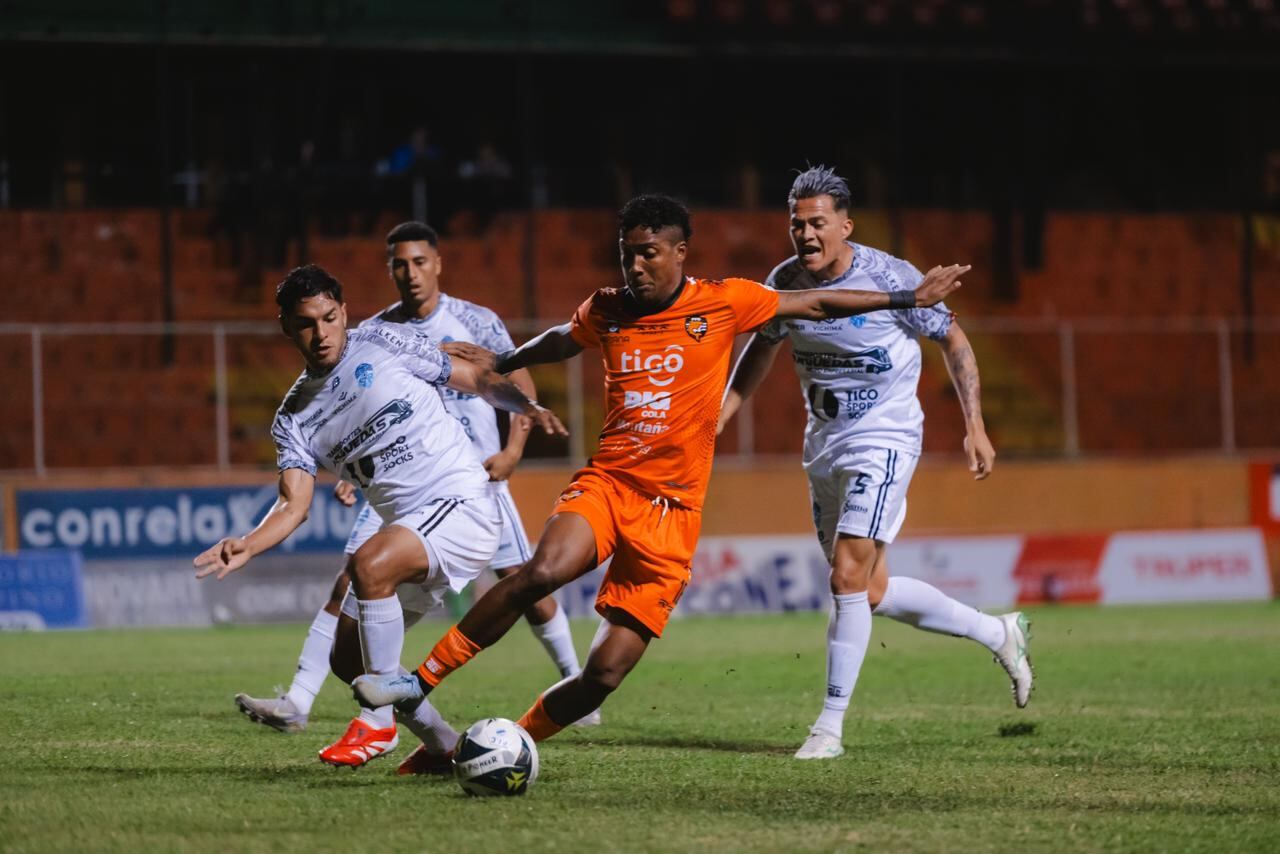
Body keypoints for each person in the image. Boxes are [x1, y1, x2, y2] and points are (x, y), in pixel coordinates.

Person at [350, 194, 967, 744]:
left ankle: (512, 741)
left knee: (602, 676)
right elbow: (564, 339)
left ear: (678, 253)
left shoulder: (724, 302)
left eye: (647, 254)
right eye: (627, 255)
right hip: (610, 484)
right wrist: (506, 358)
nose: (635, 267)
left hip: (673, 516)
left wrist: (909, 296)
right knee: (542, 570)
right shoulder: (609, 308)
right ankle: (417, 684)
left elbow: (817, 300)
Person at [232, 223, 596, 771]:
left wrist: (523, 410)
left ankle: (377, 726)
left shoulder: (382, 342)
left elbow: (473, 377)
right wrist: (247, 544)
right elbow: (294, 504)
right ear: (285, 327)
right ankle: (444, 744)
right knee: (346, 654)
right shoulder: (294, 418)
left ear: (344, 311)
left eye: (330, 318)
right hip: (410, 523)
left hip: (465, 501)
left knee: (370, 565)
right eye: (306, 325)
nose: (323, 333)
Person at [717, 166, 1033, 761]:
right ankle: (999, 632)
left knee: (844, 577)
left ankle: (828, 729)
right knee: (871, 590)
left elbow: (954, 339)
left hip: (885, 438)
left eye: (817, 224)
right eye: (796, 224)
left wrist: (975, 426)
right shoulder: (784, 283)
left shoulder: (891, 277)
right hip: (825, 444)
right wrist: (723, 415)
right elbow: (760, 348)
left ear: (845, 225)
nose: (805, 235)